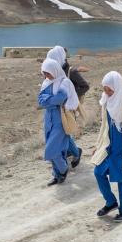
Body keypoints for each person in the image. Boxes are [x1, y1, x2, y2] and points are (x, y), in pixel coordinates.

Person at [91, 71, 122, 222]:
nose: (106, 92)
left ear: (117, 87)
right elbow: (104, 125)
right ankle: (111, 202)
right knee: (98, 172)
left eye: (109, 89)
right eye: (104, 89)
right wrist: (98, 145)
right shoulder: (106, 101)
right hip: (109, 144)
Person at [37, 58, 78, 186]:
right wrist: (52, 101)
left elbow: (60, 99)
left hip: (60, 119)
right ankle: (57, 174)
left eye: (48, 73)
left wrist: (49, 101)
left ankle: (63, 169)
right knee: (57, 149)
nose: (46, 76)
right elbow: (40, 100)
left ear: (54, 70)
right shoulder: (46, 82)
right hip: (48, 119)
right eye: (44, 73)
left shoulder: (64, 82)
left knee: (51, 150)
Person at [47, 45, 89, 168]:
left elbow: (85, 86)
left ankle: (75, 152)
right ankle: (70, 152)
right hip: (57, 107)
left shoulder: (72, 72)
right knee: (63, 131)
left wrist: (71, 96)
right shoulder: (54, 70)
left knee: (64, 132)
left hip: (68, 108)